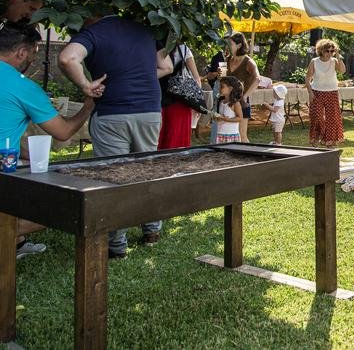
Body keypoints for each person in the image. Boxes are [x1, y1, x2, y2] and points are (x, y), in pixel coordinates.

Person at [58, 15, 173, 259]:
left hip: (112, 112)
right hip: (149, 111)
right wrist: (139, 77)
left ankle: (116, 244)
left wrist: (86, 85)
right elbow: (166, 67)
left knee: (112, 177)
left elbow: (67, 58)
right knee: (146, 170)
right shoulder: (145, 30)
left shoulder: (94, 33)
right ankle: (152, 230)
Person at [0, 22, 97, 258]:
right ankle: (6, 237)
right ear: (21, 52)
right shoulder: (23, 86)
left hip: (8, 156)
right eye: (33, 54)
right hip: (3, 168)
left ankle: (17, 242)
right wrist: (87, 107)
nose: (32, 61)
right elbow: (62, 132)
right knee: (65, 207)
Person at [226, 32, 270, 143]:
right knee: (228, 133)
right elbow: (224, 80)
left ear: (239, 45)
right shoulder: (228, 60)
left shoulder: (248, 62)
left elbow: (258, 79)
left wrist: (245, 96)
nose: (228, 46)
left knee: (242, 136)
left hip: (241, 102)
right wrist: (219, 74)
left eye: (230, 44)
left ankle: (247, 158)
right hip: (227, 102)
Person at [158, 43, 202, 150]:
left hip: (159, 98)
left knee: (160, 140)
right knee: (177, 142)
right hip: (181, 100)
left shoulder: (155, 45)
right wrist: (198, 102)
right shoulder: (183, 49)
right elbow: (196, 79)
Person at [306, 38, 346, 148]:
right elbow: (307, 79)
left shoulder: (334, 61)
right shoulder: (314, 62)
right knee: (317, 117)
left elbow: (342, 71)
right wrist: (310, 92)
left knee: (332, 118)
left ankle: (330, 142)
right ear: (321, 50)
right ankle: (315, 139)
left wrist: (337, 55)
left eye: (332, 51)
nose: (330, 53)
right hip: (317, 92)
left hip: (332, 92)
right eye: (327, 51)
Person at [214, 76, 243, 144]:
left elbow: (240, 118)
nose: (219, 89)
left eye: (222, 87)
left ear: (230, 89)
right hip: (220, 134)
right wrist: (218, 118)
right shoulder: (221, 102)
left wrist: (226, 119)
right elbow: (222, 117)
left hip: (231, 135)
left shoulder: (235, 103)